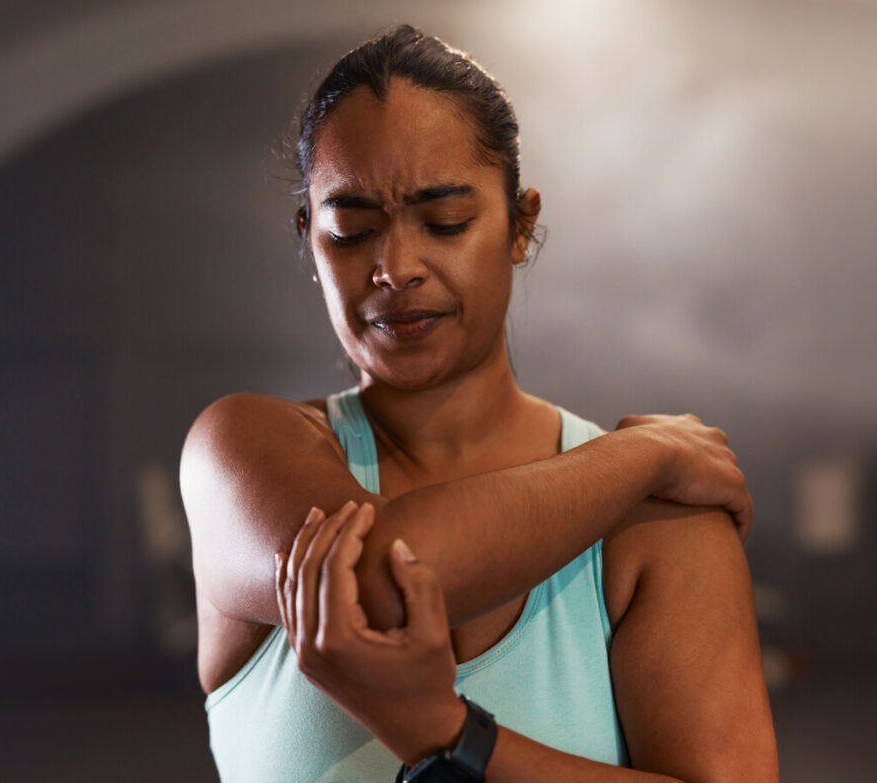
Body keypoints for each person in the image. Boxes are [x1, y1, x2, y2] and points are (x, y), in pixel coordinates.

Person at [180, 24, 777, 782]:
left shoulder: (658, 524)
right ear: (309, 237)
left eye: (445, 222)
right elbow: (367, 582)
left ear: (521, 224)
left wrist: (454, 738)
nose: (395, 268)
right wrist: (639, 453)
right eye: (352, 231)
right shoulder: (241, 447)